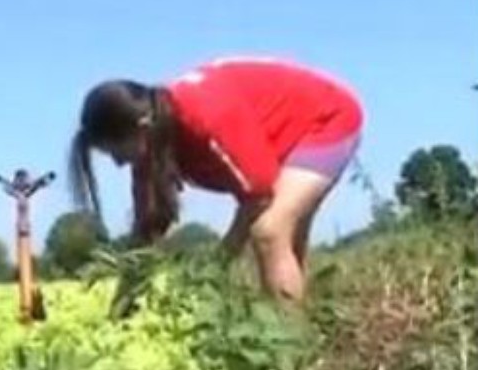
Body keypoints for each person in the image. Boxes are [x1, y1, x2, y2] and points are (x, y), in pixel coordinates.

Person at [68, 56, 364, 302]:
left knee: (270, 230)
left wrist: (220, 260)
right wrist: (122, 305)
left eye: (118, 151)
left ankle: (288, 355)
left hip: (325, 119)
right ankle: (296, 330)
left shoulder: (205, 114)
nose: (120, 164)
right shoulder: (151, 144)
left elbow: (259, 194)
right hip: (279, 138)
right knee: (281, 240)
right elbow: (146, 232)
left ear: (141, 126)